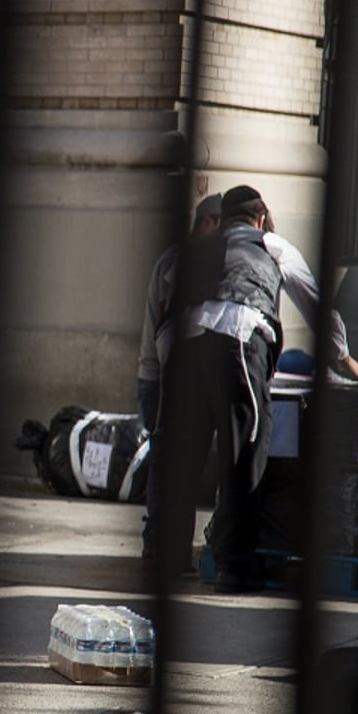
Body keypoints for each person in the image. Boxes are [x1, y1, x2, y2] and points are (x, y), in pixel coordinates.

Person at [148, 186, 358, 592]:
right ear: (261, 218)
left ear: (224, 218)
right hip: (236, 338)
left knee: (180, 456)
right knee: (244, 454)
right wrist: (342, 357)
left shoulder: (195, 249)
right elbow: (316, 305)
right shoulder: (272, 245)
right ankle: (235, 569)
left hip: (181, 350)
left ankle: (169, 557)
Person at [137, 193, 222, 560]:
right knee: (166, 459)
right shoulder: (181, 260)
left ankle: (161, 540)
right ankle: (156, 539)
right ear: (209, 222)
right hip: (161, 376)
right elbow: (169, 327)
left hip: (163, 374)